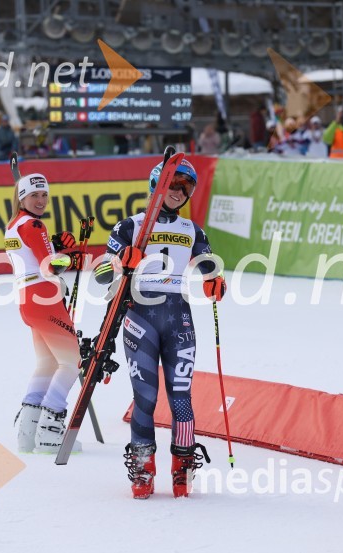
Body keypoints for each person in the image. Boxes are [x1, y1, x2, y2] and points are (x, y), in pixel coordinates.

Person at [94, 157, 225, 499]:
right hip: (140, 317)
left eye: (187, 187)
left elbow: (208, 264)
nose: (180, 193)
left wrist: (215, 281)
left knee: (181, 397)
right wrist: (121, 261)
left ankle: (182, 465)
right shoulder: (130, 226)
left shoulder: (193, 230)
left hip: (179, 318)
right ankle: (143, 465)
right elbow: (101, 274)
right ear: (157, 184)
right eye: (174, 184)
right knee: (146, 397)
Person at [7, 173, 84, 454]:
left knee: (48, 363)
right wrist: (70, 257)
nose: (40, 200)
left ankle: (29, 432)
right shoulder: (34, 224)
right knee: (73, 361)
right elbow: (48, 265)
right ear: (22, 197)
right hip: (44, 297)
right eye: (34, 195)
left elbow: (36, 253)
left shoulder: (15, 224)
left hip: (27, 300)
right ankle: (51, 429)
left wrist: (56, 246)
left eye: (44, 195)